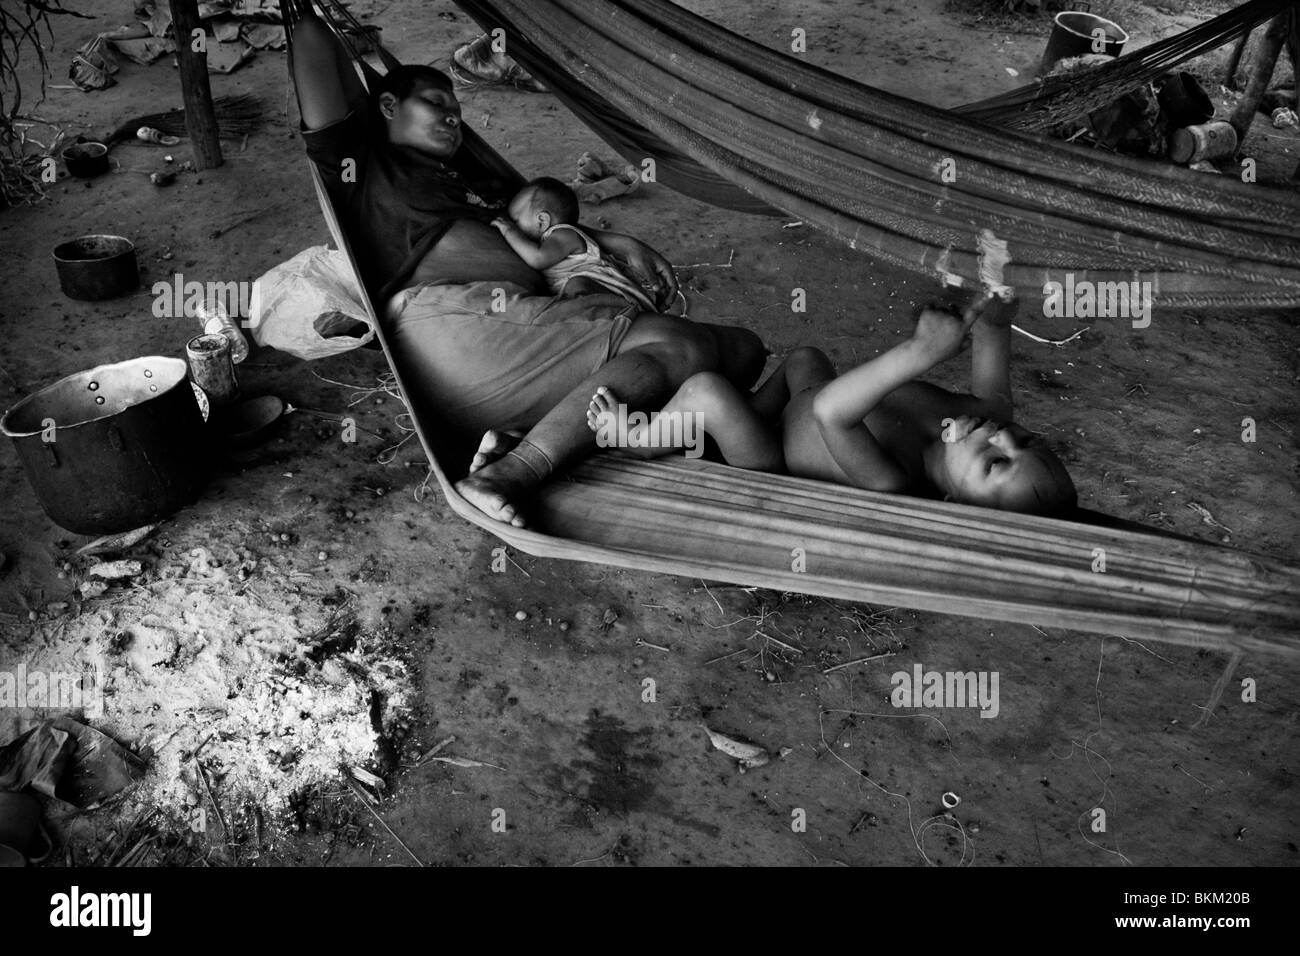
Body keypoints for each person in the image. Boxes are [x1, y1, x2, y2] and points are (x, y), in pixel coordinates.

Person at [287, 6, 766, 527]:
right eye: (435, 102)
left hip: (527, 327)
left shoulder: (470, 173)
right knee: (683, 346)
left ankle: (537, 436)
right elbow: (312, 43)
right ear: (385, 104)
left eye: (456, 107)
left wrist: (611, 237)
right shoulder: (364, 166)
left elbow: (545, 224)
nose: (453, 116)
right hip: (456, 330)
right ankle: (511, 471)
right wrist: (311, 8)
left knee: (741, 350)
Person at [585, 293, 1077, 514]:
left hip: (769, 454)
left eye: (996, 463)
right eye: (1025, 441)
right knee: (805, 358)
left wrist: (921, 352)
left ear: (955, 506)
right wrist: (996, 303)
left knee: (708, 392)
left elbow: (832, 413)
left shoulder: (891, 478)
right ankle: (722, 425)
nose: (1001, 435)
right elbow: (993, 333)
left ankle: (637, 440)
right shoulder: (990, 417)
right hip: (793, 403)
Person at [492, 177, 657, 311]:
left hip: (614, 295)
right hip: (595, 298)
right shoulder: (552, 239)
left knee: (577, 285)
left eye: (516, 220)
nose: (514, 224)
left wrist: (509, 231)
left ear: (542, 221)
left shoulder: (564, 235)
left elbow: (537, 258)